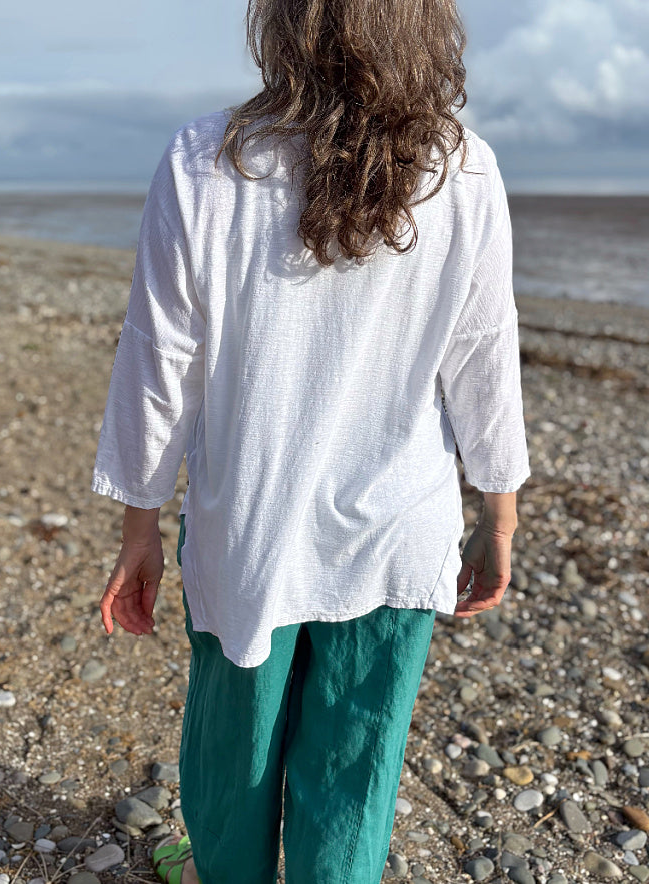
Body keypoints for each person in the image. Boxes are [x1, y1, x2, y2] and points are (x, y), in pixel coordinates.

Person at [91, 0, 530, 881]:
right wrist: (500, 514)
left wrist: (140, 525)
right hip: (399, 527)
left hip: (248, 526)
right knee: (356, 761)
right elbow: (485, 355)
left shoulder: (207, 160)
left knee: (236, 747)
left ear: (284, 23)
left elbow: (160, 360)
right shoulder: (465, 167)